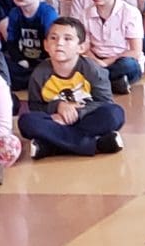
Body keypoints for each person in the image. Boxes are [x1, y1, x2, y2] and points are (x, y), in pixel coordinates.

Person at [20, 18, 125, 157]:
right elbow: (36, 107)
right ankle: (96, 144)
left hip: (86, 120)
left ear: (81, 47)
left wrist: (77, 112)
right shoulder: (39, 74)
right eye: (53, 38)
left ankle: (53, 147)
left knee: (115, 113)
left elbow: (105, 101)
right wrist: (58, 106)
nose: (59, 43)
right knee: (27, 121)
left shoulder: (93, 70)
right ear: (45, 45)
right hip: (57, 121)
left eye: (67, 39)